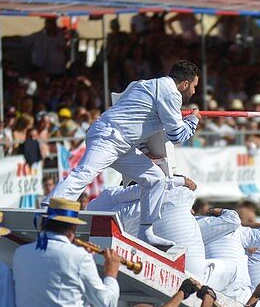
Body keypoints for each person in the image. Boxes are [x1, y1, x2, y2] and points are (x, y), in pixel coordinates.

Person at [49, 61, 201, 249]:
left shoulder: (144, 84)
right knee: (84, 173)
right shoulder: (171, 93)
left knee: (155, 179)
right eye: (194, 86)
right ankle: (50, 207)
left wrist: (144, 151)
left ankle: (145, 232)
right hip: (109, 137)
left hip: (120, 141)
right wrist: (194, 120)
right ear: (184, 84)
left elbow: (133, 117)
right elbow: (177, 135)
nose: (194, 92)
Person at [12, 198, 151, 307]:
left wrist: (84, 258)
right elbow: (107, 306)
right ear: (73, 229)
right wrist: (111, 274)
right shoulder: (79, 257)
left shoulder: (20, 253)